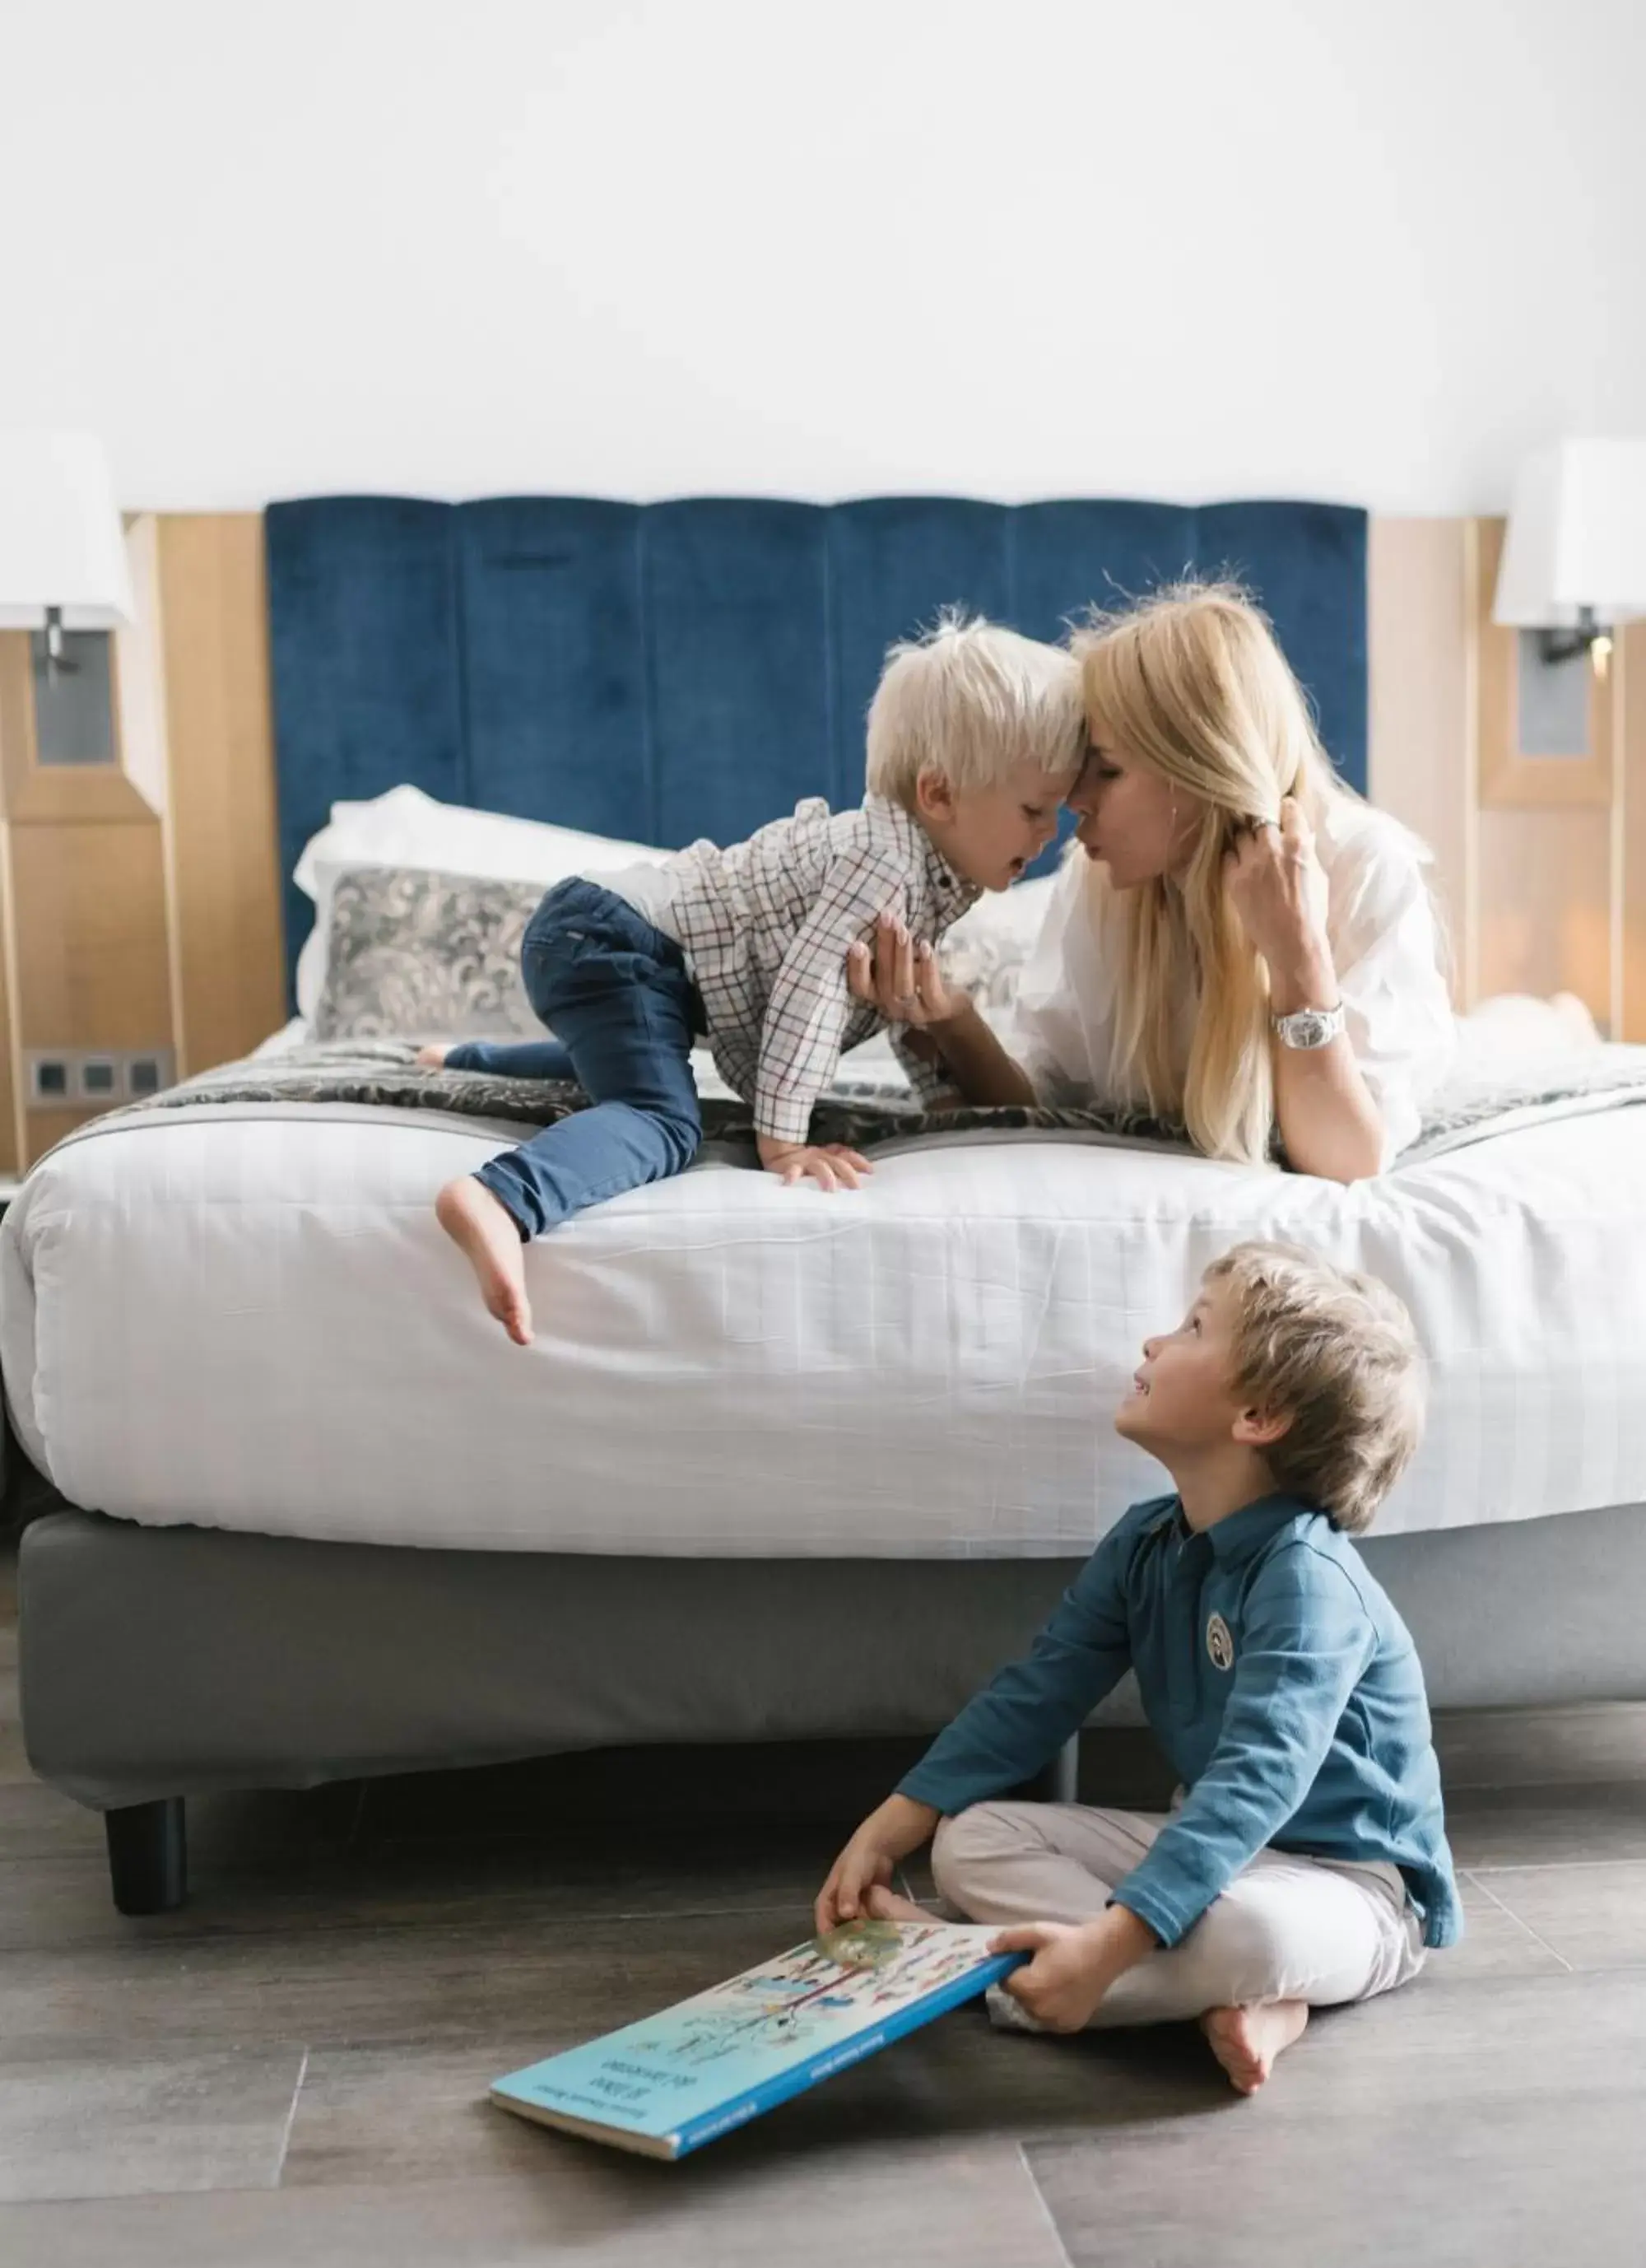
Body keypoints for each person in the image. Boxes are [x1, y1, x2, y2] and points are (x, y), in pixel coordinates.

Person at [814, 1239, 1460, 2096]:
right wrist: (886, 1828)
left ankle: (972, 1974)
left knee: (1248, 1938)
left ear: (1256, 1417)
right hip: (1213, 1851)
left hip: (1351, 1888)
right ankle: (1197, 1998)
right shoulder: (1145, 1541)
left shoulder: (1309, 1581)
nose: (1153, 1344)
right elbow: (1036, 1694)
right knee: (969, 1839)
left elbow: (1255, 1781)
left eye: (1192, 1327)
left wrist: (1115, 1939)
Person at [424, 617, 1086, 1344]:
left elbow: (895, 999)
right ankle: (502, 1197)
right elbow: (810, 986)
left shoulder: (929, 876)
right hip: (617, 939)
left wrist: (944, 1111)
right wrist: (783, 1142)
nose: (1050, 833)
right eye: (1032, 810)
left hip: (614, 948)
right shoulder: (884, 861)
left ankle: (465, 1060)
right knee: (665, 1120)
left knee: (636, 1060)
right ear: (938, 793)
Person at [846, 583, 1457, 1183]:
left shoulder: (1363, 871)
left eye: (1107, 770)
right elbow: (1045, 1104)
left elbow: (1349, 1161)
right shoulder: (1099, 882)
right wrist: (955, 1020)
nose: (1075, 802)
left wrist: (1298, 962)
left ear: (1203, 770)